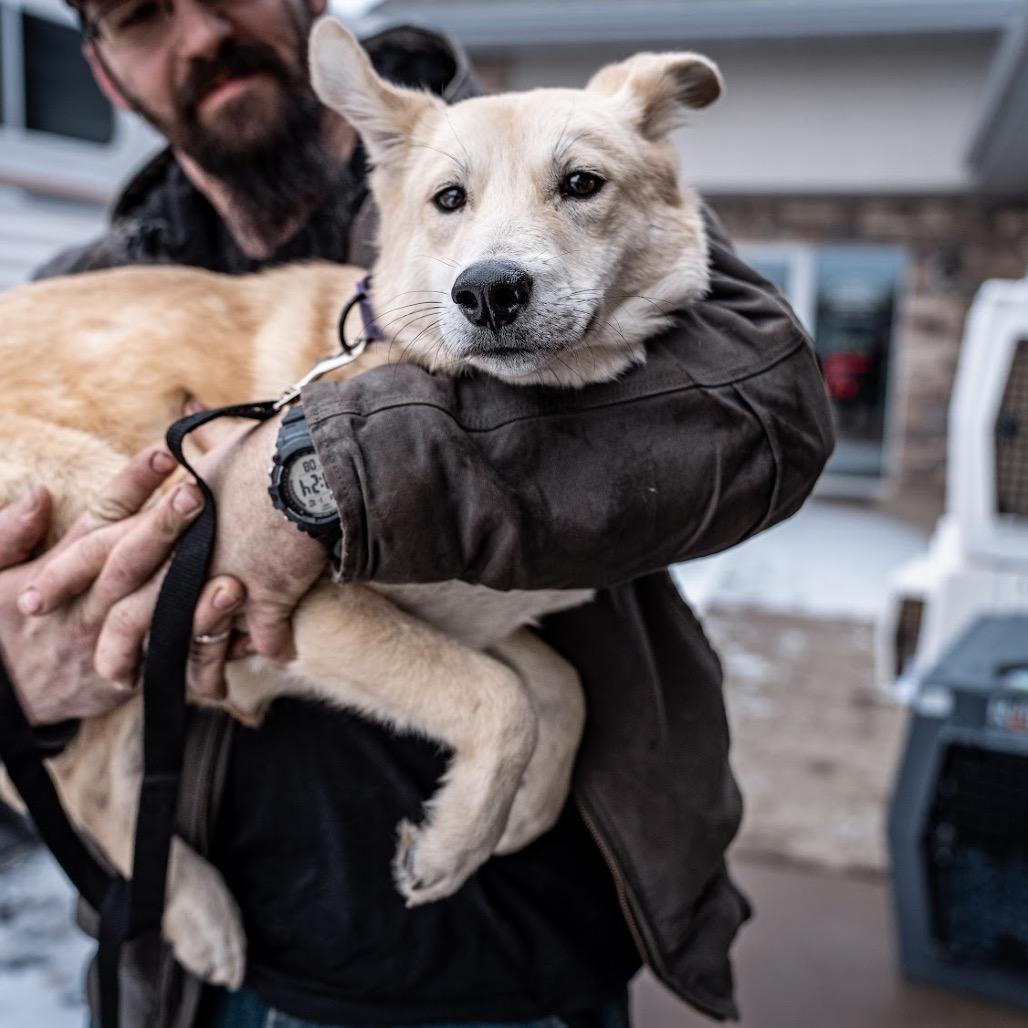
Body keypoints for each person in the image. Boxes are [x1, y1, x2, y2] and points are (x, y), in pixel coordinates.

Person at [0, 0, 835, 1025]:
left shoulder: (538, 135)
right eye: (141, 14)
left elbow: (769, 401)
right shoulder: (86, 282)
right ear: (103, 67)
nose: (200, 29)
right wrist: (16, 674)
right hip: (198, 984)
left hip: (516, 953)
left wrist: (305, 475)